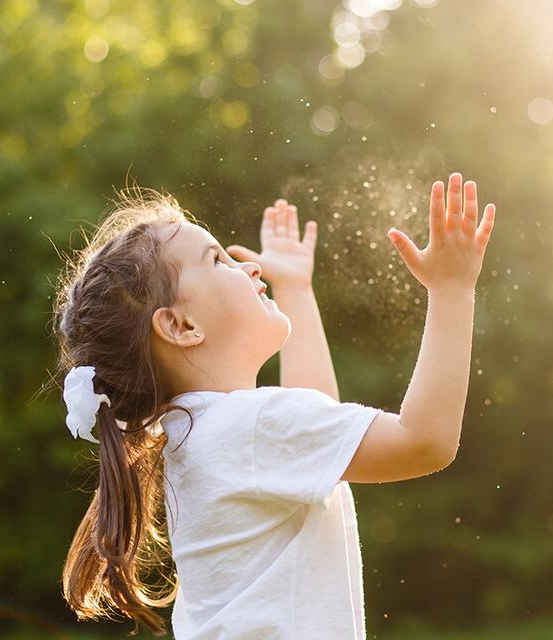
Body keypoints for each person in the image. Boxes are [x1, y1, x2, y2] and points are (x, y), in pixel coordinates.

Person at [54, 173, 496, 638]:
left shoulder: (198, 435)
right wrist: (452, 289)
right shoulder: (248, 428)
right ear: (181, 326)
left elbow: (317, 427)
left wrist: (296, 291)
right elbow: (425, 442)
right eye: (218, 260)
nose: (249, 267)